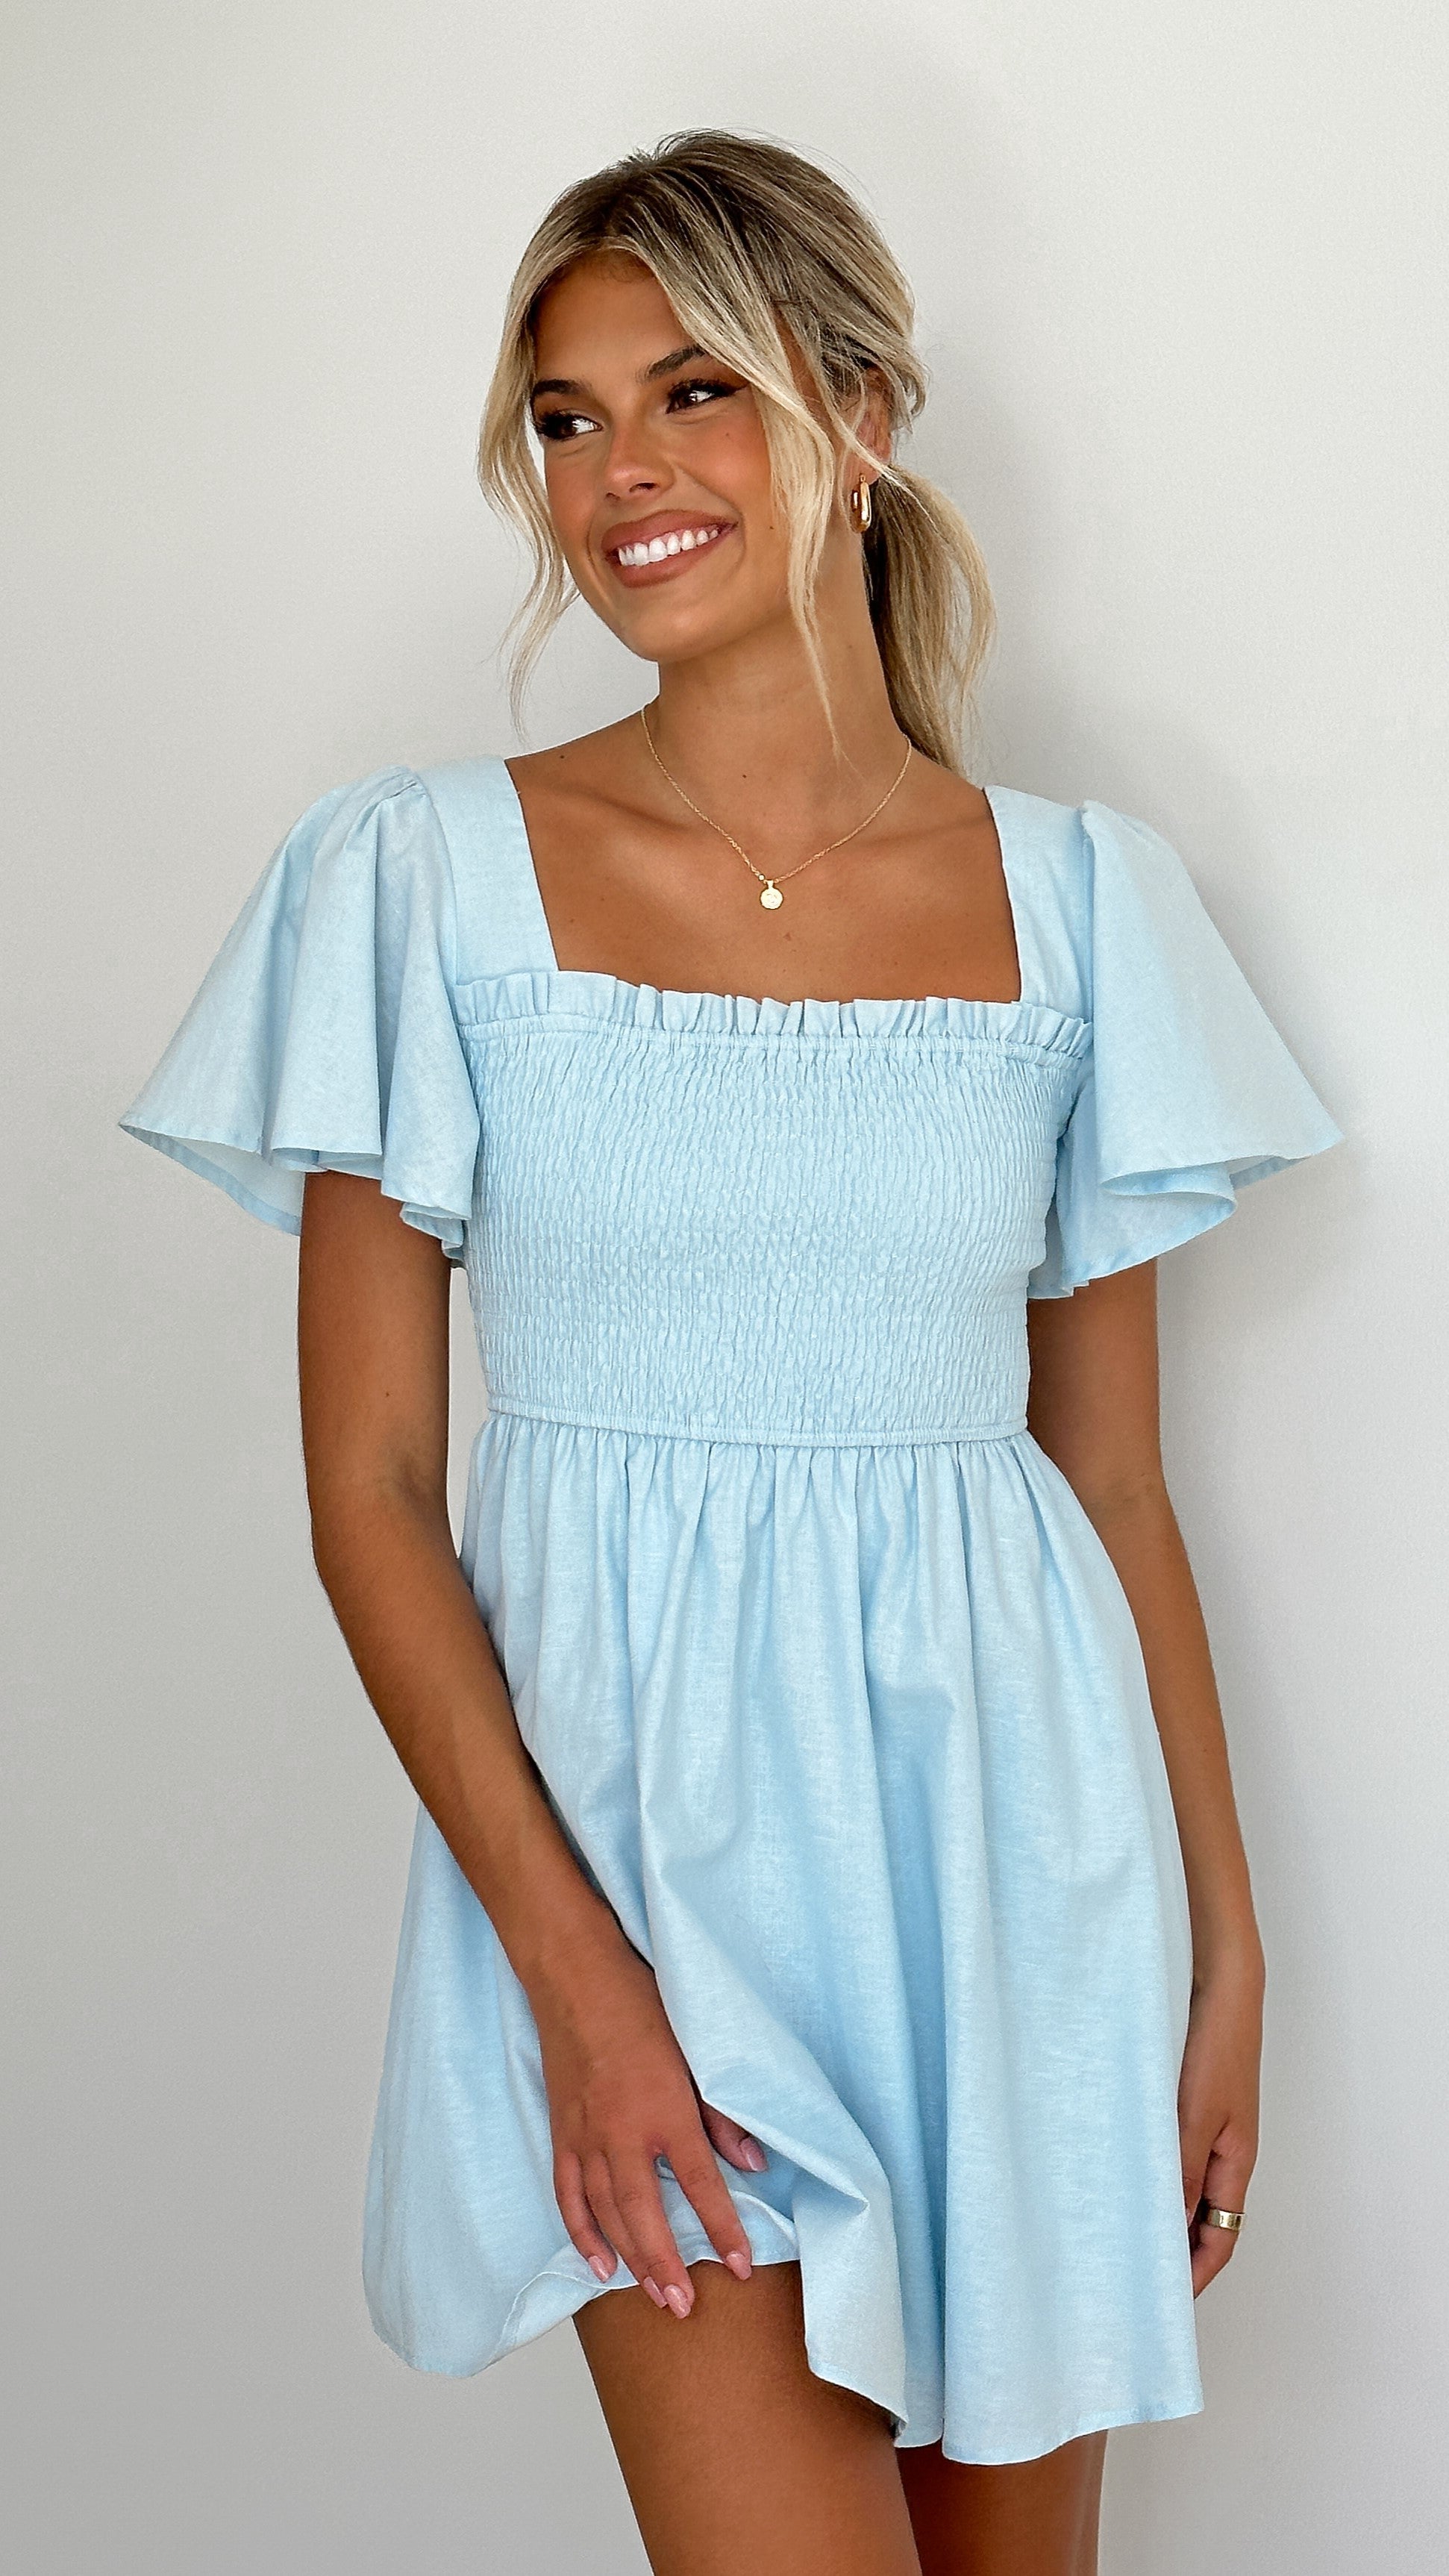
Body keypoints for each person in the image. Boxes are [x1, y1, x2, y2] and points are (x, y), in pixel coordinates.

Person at [121, 130, 1342, 2576]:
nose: (622, 474)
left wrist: (1227, 1953)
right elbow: (371, 1491)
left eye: (694, 389)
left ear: (859, 412)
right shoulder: (422, 878)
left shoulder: (1081, 907)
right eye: (566, 418)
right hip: (633, 1900)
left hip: (1016, 1893)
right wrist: (574, 1985)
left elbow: (1112, 1487)